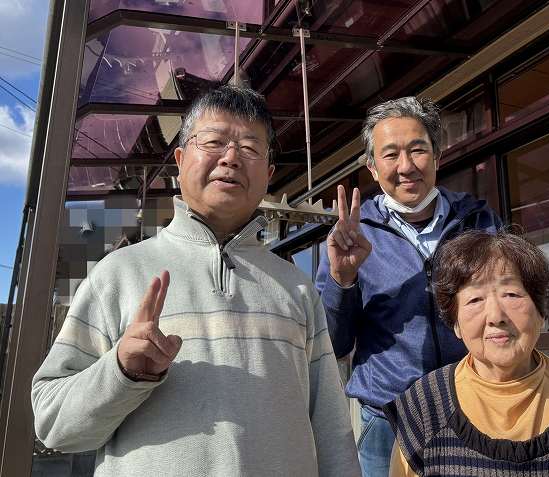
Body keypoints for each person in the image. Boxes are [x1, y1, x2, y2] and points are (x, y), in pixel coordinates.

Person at [31, 85, 361, 477]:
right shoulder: (117, 274)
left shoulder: (296, 287)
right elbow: (53, 424)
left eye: (251, 148)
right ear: (181, 158)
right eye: (214, 141)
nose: (231, 158)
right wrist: (121, 371)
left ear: (268, 173)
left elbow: (331, 429)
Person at [314, 96, 502, 477]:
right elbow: (333, 343)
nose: (405, 167)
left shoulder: (479, 221)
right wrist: (342, 279)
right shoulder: (352, 235)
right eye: (390, 154)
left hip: (472, 408)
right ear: (371, 166)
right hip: (387, 419)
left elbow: (512, 306)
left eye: (417, 150)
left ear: (437, 156)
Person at [385, 230, 549, 476]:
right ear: (456, 324)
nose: (496, 316)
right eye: (475, 300)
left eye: (511, 294)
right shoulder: (425, 406)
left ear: (541, 313)